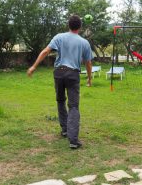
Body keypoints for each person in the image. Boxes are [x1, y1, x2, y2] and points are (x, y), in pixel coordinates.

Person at [27, 15, 93, 149]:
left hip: (58, 72)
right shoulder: (84, 42)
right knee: (73, 106)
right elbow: (88, 63)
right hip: (73, 74)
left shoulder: (59, 37)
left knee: (61, 100)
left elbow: (46, 51)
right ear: (79, 27)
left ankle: (64, 129)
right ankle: (73, 140)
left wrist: (34, 66)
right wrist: (89, 78)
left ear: (68, 25)